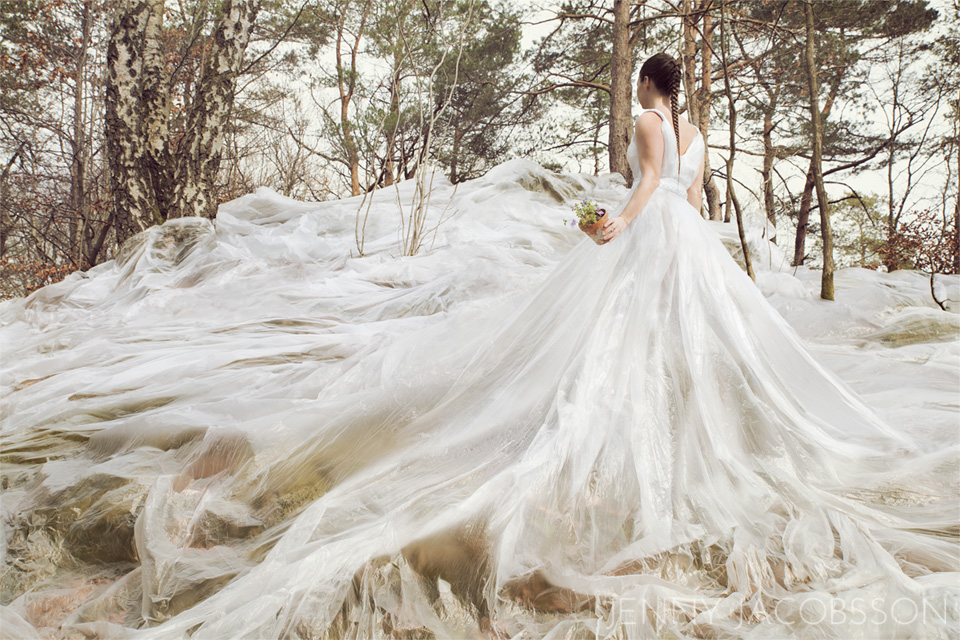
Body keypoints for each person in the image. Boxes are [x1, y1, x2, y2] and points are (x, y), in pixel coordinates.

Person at [138, 53, 957, 639]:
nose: (638, 90)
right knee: (692, 343)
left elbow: (643, 187)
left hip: (653, 234)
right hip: (692, 244)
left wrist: (611, 231)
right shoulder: (700, 132)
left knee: (619, 338)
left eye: (643, 80)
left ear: (650, 86)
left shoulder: (645, 121)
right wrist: (691, 244)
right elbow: (695, 197)